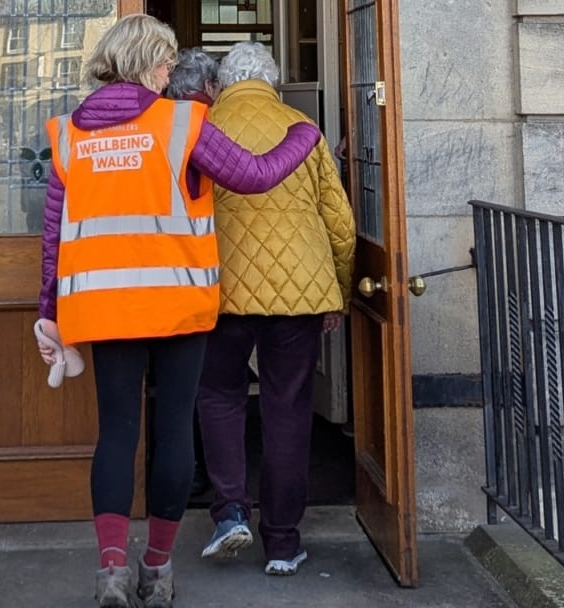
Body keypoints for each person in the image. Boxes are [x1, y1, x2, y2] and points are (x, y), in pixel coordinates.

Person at [35, 15, 324, 608]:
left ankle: (112, 570)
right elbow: (255, 175)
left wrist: (49, 312)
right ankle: (158, 569)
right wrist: (305, 133)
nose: (171, 70)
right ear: (145, 62)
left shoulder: (67, 134)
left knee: (117, 432)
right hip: (176, 303)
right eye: (165, 59)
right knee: (172, 432)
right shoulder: (182, 123)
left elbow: (52, 236)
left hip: (104, 307)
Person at [195, 41, 356, 576]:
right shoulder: (301, 128)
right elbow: (339, 222)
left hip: (218, 289)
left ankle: (230, 513)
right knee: (287, 409)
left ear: (222, 83)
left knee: (219, 397)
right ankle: (283, 543)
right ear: (273, 81)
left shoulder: (201, 127)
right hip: (299, 292)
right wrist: (338, 292)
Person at [164, 47, 221, 500]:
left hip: (153, 279)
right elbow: (249, 176)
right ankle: (200, 473)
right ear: (208, 88)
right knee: (206, 386)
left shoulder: (157, 126)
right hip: (202, 279)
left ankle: (190, 473)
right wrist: (305, 135)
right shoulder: (203, 126)